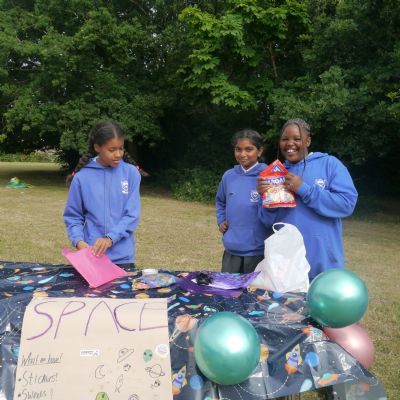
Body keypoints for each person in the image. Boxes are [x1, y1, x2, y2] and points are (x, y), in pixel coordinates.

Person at [257, 118, 358, 280]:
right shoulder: (275, 173)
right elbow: (267, 222)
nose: (290, 143)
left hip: (323, 264)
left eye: (297, 138)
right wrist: (267, 201)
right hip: (287, 267)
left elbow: (346, 204)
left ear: (308, 141)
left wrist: (304, 189)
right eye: (285, 139)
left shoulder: (329, 164)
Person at [63, 121, 141, 267]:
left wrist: (110, 238)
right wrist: (78, 241)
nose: (118, 154)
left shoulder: (131, 173)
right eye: (112, 150)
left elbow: (132, 215)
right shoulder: (81, 177)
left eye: (121, 148)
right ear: (97, 147)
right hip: (92, 257)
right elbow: (73, 216)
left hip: (123, 259)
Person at [216, 129, 271, 273]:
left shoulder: (269, 176)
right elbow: (220, 201)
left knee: (254, 288)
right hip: (232, 249)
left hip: (258, 251)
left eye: (249, 149)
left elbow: (276, 211)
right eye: (238, 149)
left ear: (259, 151)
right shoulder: (229, 176)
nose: (242, 154)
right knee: (228, 287)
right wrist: (221, 220)